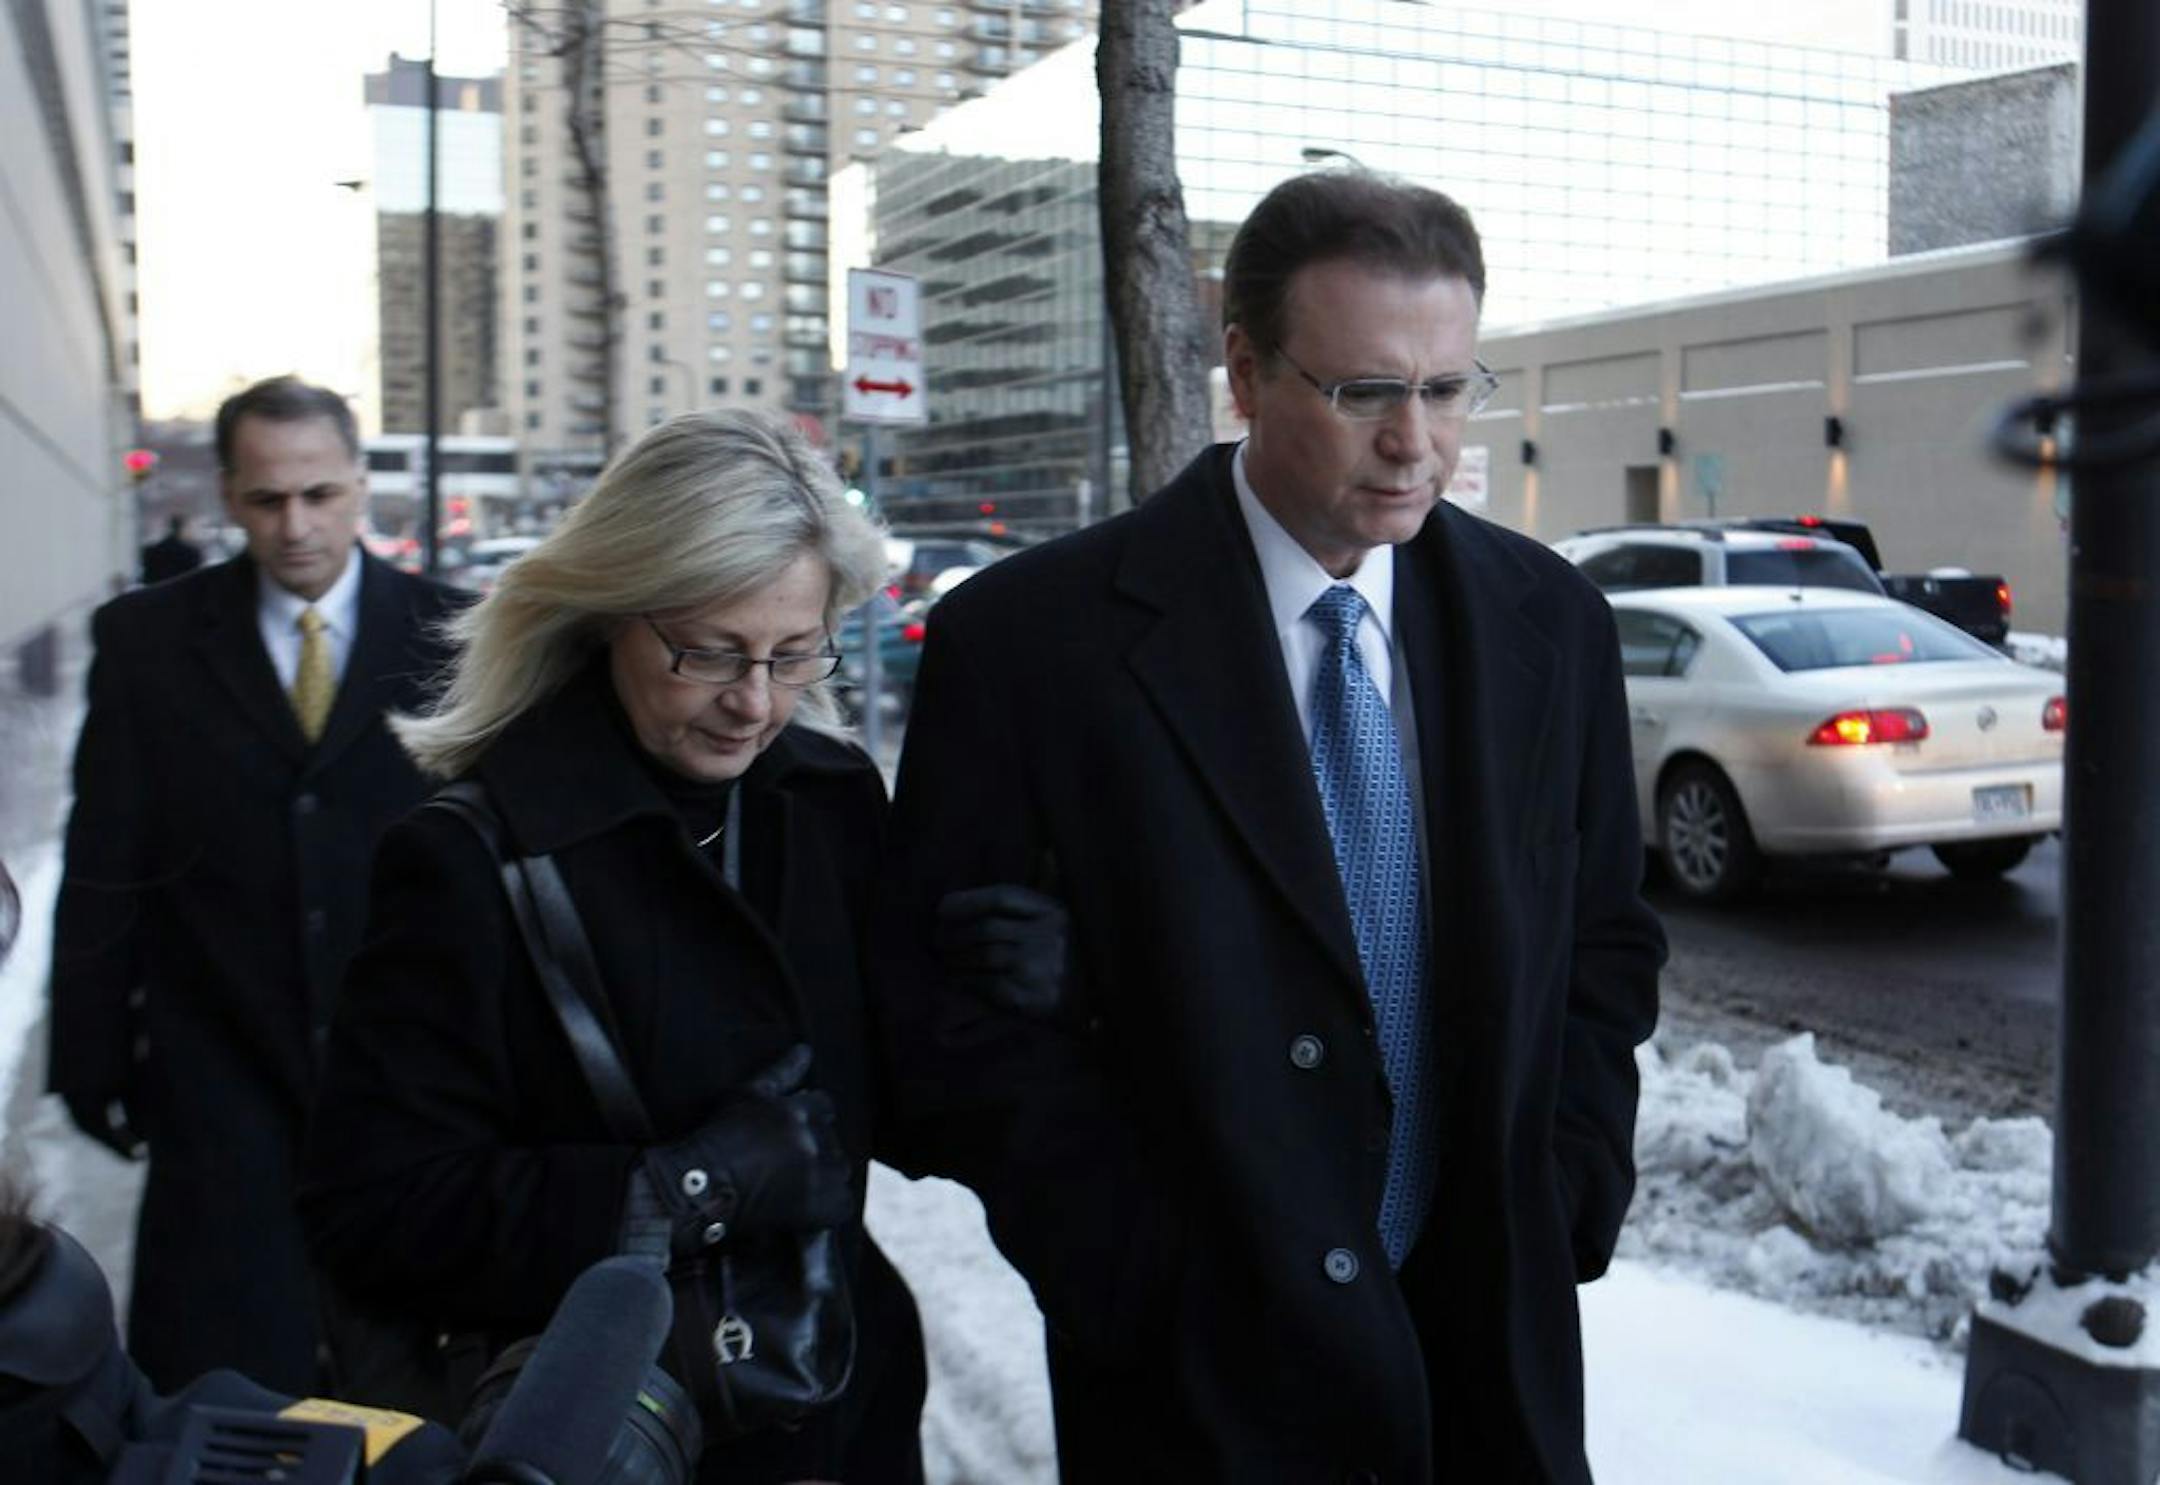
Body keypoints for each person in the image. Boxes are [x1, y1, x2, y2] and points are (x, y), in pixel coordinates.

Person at [882, 169, 1667, 1481]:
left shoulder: (1550, 622)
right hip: (1199, 1379)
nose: (1415, 440)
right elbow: (949, 1018)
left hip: (1485, 1345)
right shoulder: (1032, 645)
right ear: (1243, 375)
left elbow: (1605, 939)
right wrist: (1129, 1274)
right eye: (1363, 390)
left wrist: (1568, 1186)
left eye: (1447, 388)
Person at [299, 410, 932, 1484]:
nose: (756, 702)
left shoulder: (828, 806)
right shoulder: (471, 859)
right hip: (604, 1431)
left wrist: (1015, 976)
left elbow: (890, 1100)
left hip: (830, 1396)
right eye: (711, 653)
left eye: (792, 654)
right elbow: (374, 1208)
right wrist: (679, 1188)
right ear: (608, 615)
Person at [47, 374, 463, 1394]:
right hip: (217, 1061)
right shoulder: (147, 640)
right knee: (223, 1380)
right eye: (269, 499)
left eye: (320, 495)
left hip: (407, 1076)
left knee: (415, 1383)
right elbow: (106, 856)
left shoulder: (453, 634)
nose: (297, 526)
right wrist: (89, 1051)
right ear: (230, 496)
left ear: (362, 487)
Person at [139, 514, 204, 585]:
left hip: (158, 592)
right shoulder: (191, 554)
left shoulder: (152, 551)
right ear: (182, 528)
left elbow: (147, 578)